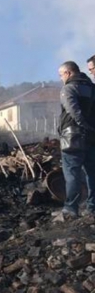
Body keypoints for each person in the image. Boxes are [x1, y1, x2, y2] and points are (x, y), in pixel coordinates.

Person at [57, 61, 95, 217]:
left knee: (72, 173)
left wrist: (83, 126)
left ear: (68, 73)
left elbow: (74, 111)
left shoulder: (68, 88)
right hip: (92, 138)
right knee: (92, 173)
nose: (61, 79)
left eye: (61, 75)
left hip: (72, 137)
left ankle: (71, 208)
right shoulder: (92, 88)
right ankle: (92, 208)